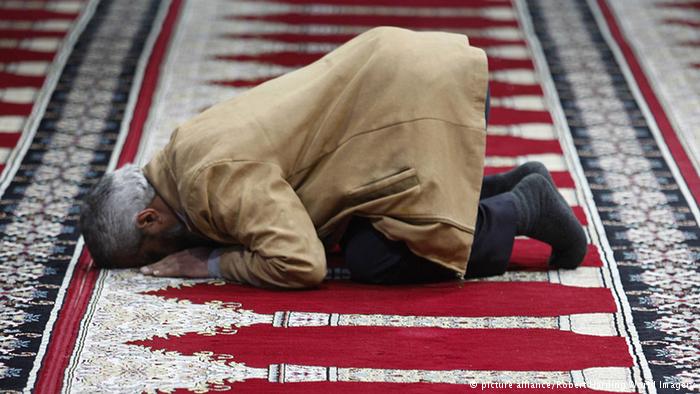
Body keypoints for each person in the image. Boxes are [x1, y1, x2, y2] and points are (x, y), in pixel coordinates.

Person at [79, 27, 587, 289]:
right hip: (396, 89)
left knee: (380, 257)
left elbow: (301, 264)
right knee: (363, 236)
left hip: (419, 97)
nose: (164, 259)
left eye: (152, 253)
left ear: (149, 217)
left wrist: (209, 262)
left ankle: (524, 209)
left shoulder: (212, 181)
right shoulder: (182, 151)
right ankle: (510, 185)